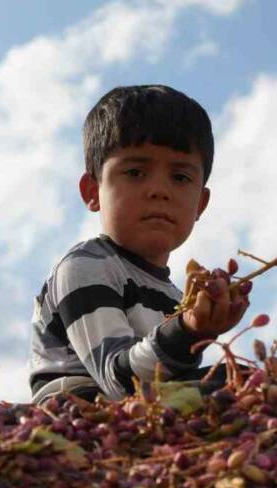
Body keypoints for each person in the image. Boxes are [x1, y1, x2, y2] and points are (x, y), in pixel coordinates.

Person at [28, 84, 252, 404]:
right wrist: (188, 331)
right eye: (135, 172)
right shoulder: (85, 266)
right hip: (80, 407)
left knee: (243, 381)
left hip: (148, 404)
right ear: (92, 190)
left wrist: (202, 326)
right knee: (228, 387)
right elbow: (119, 381)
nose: (159, 190)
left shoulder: (175, 298)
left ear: (200, 204)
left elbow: (164, 382)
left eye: (180, 178)